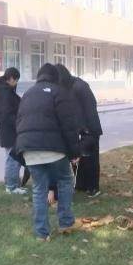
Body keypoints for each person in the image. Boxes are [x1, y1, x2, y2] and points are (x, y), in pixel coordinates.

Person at [15, 63, 84, 240]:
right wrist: (75, 151)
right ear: (56, 77)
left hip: (29, 150)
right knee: (65, 180)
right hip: (55, 150)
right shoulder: (59, 92)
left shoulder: (28, 94)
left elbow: (19, 122)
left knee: (39, 189)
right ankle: (66, 223)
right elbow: (69, 125)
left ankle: (42, 233)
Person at [55, 64, 103, 198]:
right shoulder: (67, 88)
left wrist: (88, 129)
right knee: (79, 158)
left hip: (89, 128)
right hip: (77, 129)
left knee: (90, 159)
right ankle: (81, 184)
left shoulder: (80, 86)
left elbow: (90, 107)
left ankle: (93, 187)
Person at [0, 67, 28, 195]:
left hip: (7, 129)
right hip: (10, 130)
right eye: (16, 80)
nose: (16, 83)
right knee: (13, 158)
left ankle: (13, 184)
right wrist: (20, 124)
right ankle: (11, 186)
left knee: (12, 157)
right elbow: (7, 114)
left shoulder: (3, 89)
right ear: (11, 78)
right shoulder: (5, 92)